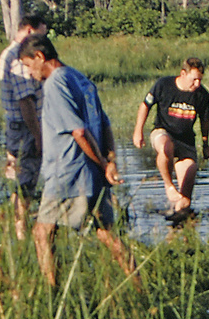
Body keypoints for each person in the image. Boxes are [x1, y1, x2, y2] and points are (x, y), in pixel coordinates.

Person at [18, 35, 136, 287]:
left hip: (68, 172)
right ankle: (139, 286)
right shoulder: (81, 79)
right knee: (107, 234)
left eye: (28, 65)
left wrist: (105, 164)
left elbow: (79, 132)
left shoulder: (55, 83)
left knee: (42, 233)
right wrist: (109, 160)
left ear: (40, 57)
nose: (29, 73)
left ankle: (52, 294)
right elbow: (104, 124)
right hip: (93, 173)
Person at [132, 58, 209, 217]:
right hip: (163, 132)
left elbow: (204, 120)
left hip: (186, 140)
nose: (197, 84)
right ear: (183, 74)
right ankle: (168, 186)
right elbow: (145, 106)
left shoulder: (202, 95)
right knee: (166, 146)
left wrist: (205, 143)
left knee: (185, 199)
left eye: (200, 80)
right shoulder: (163, 85)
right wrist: (138, 131)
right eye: (194, 79)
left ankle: (178, 226)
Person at [0, 16, 48, 239]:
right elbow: (25, 100)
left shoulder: (10, 53)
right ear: (29, 30)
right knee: (25, 181)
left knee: (18, 181)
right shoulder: (19, 57)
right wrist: (38, 135)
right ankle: (21, 232)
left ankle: (18, 229)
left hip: (18, 127)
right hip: (24, 128)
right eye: (41, 34)